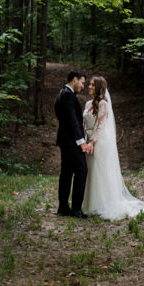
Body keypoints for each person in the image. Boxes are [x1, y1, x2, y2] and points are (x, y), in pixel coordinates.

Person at [81, 76, 144, 220]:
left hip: (100, 141)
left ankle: (102, 203)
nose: (89, 87)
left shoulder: (103, 104)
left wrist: (92, 142)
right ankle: (89, 203)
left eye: (92, 85)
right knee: (90, 170)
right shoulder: (87, 104)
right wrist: (85, 141)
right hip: (89, 141)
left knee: (99, 171)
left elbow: (100, 125)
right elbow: (85, 125)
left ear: (98, 87)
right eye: (89, 84)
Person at [54, 71, 91, 218]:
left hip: (65, 140)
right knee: (82, 170)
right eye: (82, 83)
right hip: (71, 142)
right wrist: (81, 142)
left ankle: (63, 207)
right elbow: (72, 121)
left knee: (67, 173)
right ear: (74, 80)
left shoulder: (62, 93)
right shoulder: (68, 95)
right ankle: (76, 208)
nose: (83, 86)